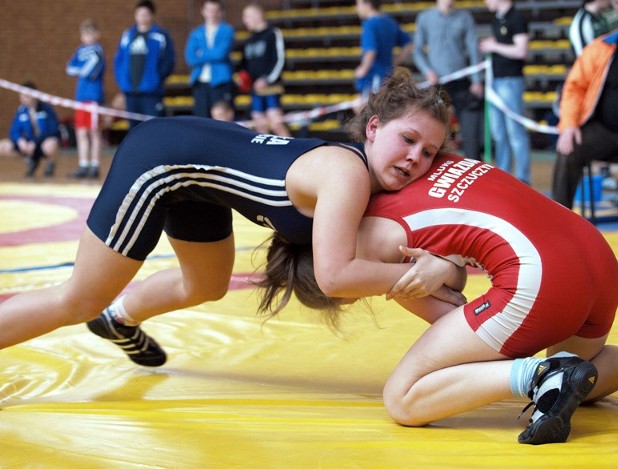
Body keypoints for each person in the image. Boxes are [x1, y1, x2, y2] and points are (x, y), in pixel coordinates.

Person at [0, 69, 457, 370]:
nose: (416, 158)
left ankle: (117, 319)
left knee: (205, 285)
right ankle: (96, 311)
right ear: (373, 129)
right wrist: (425, 271)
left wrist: (437, 270)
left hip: (198, 175)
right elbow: (336, 277)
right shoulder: (348, 175)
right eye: (408, 139)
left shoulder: (370, 178)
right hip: (159, 162)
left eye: (428, 152)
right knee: (78, 297)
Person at [274, 152, 618, 445]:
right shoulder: (423, 164)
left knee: (403, 399)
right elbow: (457, 255)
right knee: (579, 385)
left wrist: (397, 287)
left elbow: (451, 312)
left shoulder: (364, 243)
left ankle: (537, 375)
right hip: (596, 255)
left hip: (540, 275)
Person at [552, 0, 618, 209]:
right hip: (605, 132)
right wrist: (569, 125)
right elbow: (574, 88)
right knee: (568, 149)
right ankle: (557, 218)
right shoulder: (598, 48)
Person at [412, 0, 484, 161]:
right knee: (431, 130)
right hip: (435, 84)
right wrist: (427, 71)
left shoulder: (465, 17)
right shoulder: (425, 18)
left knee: (470, 133)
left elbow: (474, 49)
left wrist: (476, 80)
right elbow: (417, 51)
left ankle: (474, 168)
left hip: (461, 81)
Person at [479, 0, 531, 184]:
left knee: (515, 132)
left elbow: (521, 50)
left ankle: (523, 178)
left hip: (510, 81)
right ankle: (504, 177)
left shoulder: (516, 17)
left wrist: (494, 46)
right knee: (499, 133)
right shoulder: (497, 18)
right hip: (496, 81)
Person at [113, 0, 175, 130]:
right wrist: (122, 81)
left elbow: (169, 61)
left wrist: (157, 78)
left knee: (153, 128)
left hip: (151, 92)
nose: (142, 17)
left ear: (152, 15)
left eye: (145, 14)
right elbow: (119, 59)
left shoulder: (161, 36)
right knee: (133, 129)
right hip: (130, 92)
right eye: (139, 14)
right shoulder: (127, 35)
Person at [238, 2, 290, 136]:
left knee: (276, 122)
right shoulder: (249, 40)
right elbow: (244, 65)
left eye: (247, 16)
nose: (244, 20)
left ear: (257, 16)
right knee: (260, 126)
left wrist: (266, 79)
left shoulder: (273, 33)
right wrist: (242, 78)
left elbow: (280, 60)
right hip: (255, 90)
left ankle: (294, 154)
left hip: (271, 87)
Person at [65, 19, 106, 179]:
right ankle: (83, 164)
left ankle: (94, 165)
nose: (87, 37)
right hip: (80, 98)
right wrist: (79, 69)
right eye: (84, 34)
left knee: (94, 132)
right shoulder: (80, 50)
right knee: (80, 132)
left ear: (97, 35)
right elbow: (69, 68)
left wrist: (78, 69)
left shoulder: (97, 51)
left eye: (90, 33)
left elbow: (89, 71)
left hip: (92, 98)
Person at [185, 0, 236, 118]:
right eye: (209, 10)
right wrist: (211, 53)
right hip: (201, 82)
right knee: (201, 120)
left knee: (221, 118)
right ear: (203, 11)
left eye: (215, 11)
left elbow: (221, 53)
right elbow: (190, 57)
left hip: (220, 81)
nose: (212, 14)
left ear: (221, 12)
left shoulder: (227, 30)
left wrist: (201, 53)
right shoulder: (196, 32)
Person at [354, 0, 413, 98]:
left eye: (358, 4)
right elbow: (408, 44)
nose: (356, 8)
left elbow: (371, 52)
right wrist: (396, 61)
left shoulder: (369, 24)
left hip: (374, 77)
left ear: (368, 4)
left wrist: (362, 69)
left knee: (367, 108)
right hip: (389, 75)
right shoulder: (389, 22)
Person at [0, 82, 59, 178]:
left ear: (34, 96)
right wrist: (20, 141)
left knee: (51, 144)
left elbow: (52, 130)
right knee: (2, 146)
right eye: (21, 96)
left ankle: (50, 163)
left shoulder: (46, 109)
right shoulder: (21, 110)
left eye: (26, 96)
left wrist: (35, 142)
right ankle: (30, 161)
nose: (22, 99)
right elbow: (14, 130)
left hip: (41, 144)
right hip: (27, 146)